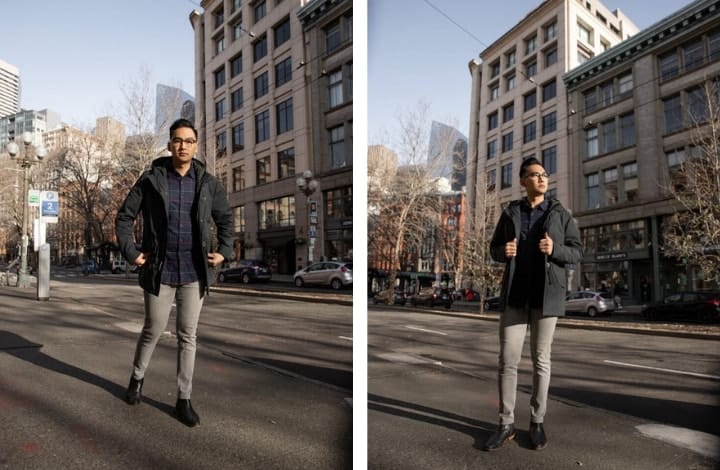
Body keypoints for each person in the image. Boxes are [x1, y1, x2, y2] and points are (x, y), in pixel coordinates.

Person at [116, 118, 234, 427]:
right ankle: (137, 379)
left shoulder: (208, 182)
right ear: (169, 145)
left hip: (195, 271)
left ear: (196, 146)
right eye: (177, 140)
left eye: (189, 141)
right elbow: (125, 217)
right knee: (153, 330)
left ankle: (184, 399)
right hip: (160, 269)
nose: (183, 146)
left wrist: (225, 251)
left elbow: (226, 220)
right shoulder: (151, 179)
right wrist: (131, 253)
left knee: (188, 336)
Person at [483, 157, 582, 451]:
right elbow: (493, 249)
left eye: (544, 174)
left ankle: (537, 422)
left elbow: (576, 252)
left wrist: (555, 249)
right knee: (507, 361)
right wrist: (504, 251)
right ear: (523, 180)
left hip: (545, 296)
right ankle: (505, 423)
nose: (541, 178)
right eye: (534, 175)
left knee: (541, 361)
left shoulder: (560, 213)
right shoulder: (511, 211)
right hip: (515, 295)